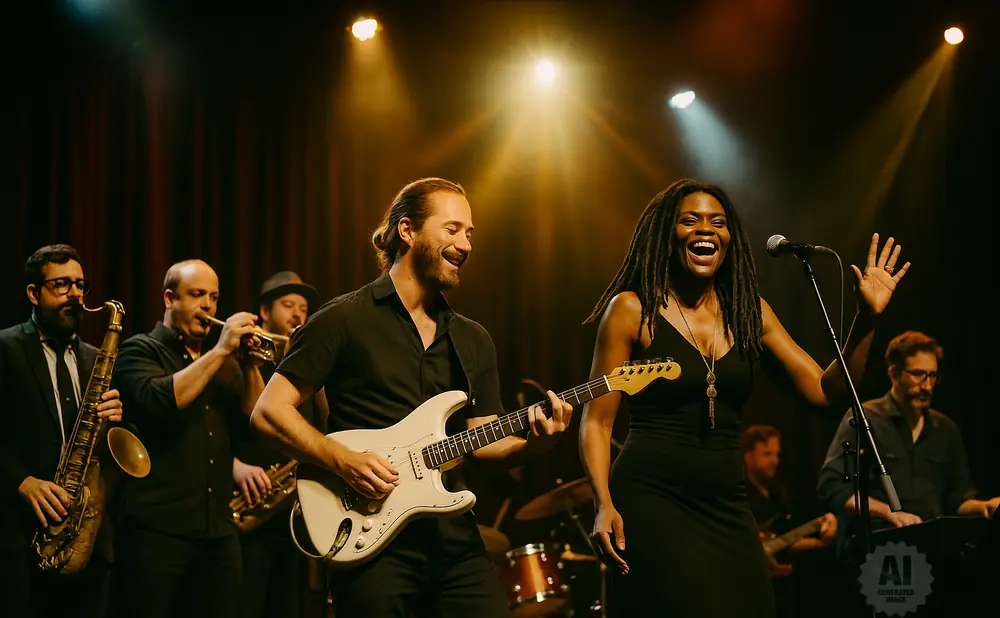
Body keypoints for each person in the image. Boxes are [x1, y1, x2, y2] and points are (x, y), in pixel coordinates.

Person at [578, 178, 910, 617]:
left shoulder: (749, 311)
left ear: (730, 238)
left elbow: (824, 392)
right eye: (689, 221)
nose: (705, 230)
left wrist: (866, 320)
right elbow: (597, 422)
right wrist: (603, 503)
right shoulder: (631, 310)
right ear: (666, 234)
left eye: (717, 222)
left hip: (726, 503)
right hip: (650, 496)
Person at [249, 177, 574, 618]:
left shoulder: (472, 339)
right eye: (453, 229)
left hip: (455, 543)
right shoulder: (344, 319)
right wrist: (342, 459)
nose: (466, 245)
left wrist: (538, 442)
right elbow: (269, 412)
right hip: (371, 543)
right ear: (407, 231)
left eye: (470, 233)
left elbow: (485, 441)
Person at [110, 259, 269, 618]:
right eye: (197, 295)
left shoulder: (224, 363)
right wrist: (222, 351)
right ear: (169, 298)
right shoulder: (141, 350)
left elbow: (254, 421)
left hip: (218, 533)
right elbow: (162, 402)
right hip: (157, 533)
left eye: (213, 297)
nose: (208, 306)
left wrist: (249, 366)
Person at [0, 244, 124, 618]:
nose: (75, 295)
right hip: (19, 538)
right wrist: (23, 481)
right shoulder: (5, 348)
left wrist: (114, 419)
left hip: (84, 543)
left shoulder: (93, 356)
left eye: (80, 285)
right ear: (33, 293)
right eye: (62, 285)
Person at [816, 331, 998, 537]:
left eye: (933, 376)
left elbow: (957, 499)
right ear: (894, 373)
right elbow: (832, 488)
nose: (927, 386)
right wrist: (889, 513)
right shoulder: (864, 419)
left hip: (930, 549)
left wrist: (984, 507)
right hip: (877, 547)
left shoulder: (945, 429)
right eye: (918, 375)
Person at [232, 270, 328, 618]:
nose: (297, 314)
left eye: (303, 308)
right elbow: (256, 415)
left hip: (297, 512)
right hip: (253, 505)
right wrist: (250, 366)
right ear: (264, 311)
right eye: (288, 305)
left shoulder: (307, 359)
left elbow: (328, 414)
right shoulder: (243, 358)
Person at [742, 425, 837, 618]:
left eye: (777, 454)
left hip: (786, 591)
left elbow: (787, 540)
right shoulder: (740, 497)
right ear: (748, 456)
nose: (774, 461)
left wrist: (822, 536)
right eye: (766, 454)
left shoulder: (779, 494)